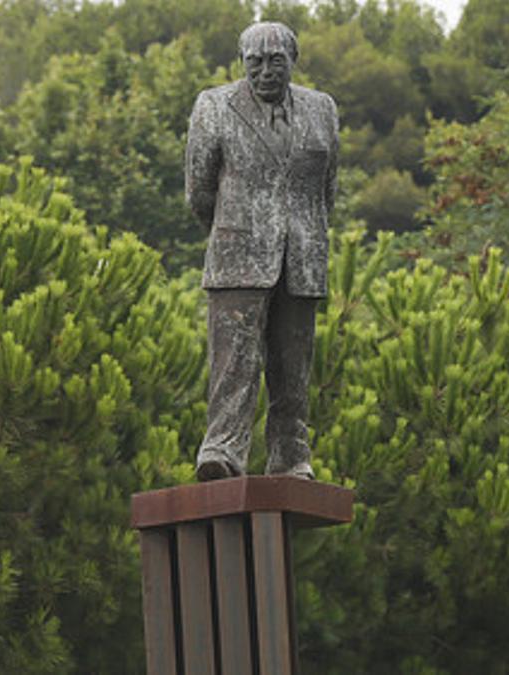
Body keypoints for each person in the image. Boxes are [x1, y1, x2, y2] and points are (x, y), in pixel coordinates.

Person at [184, 21, 339, 481]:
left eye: (276, 61)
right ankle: (222, 451)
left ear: (293, 60)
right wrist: (239, 230)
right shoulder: (213, 106)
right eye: (255, 62)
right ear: (242, 62)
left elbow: (327, 188)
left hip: (303, 257)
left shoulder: (322, 109)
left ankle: (291, 458)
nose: (266, 71)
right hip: (237, 253)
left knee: (293, 370)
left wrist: (305, 233)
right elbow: (199, 192)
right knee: (234, 362)